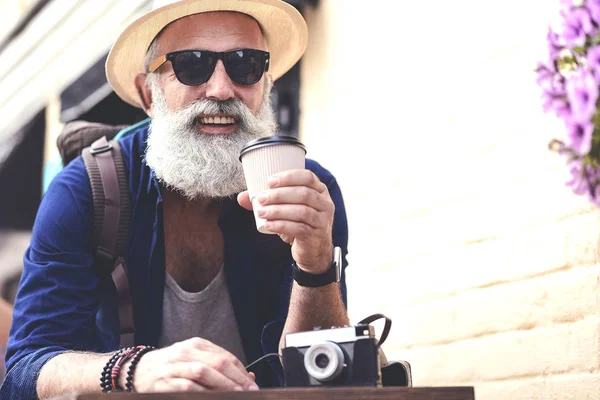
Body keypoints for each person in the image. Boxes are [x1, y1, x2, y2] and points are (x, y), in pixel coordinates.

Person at [1, 0, 350, 398]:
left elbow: (325, 378)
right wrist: (132, 369)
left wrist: (315, 263)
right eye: (192, 64)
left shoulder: (310, 192)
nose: (221, 90)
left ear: (265, 87)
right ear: (147, 94)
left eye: (246, 64)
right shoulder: (85, 191)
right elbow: (26, 373)